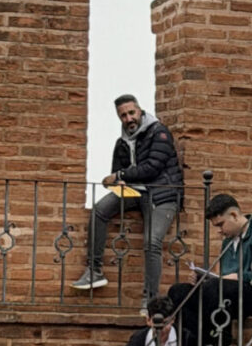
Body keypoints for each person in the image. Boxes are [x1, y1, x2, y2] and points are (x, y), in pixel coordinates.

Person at [72, 94, 183, 306]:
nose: (128, 118)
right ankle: (94, 271)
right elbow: (117, 171)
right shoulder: (122, 142)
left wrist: (121, 176)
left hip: (161, 194)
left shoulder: (159, 132)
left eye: (132, 113)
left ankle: (149, 299)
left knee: (152, 241)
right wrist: (118, 182)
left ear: (140, 111)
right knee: (99, 210)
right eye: (123, 115)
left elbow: (153, 168)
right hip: (134, 192)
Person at [167, 193, 252, 346]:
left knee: (216, 288)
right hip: (233, 294)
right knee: (179, 292)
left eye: (221, 224)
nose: (219, 231)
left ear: (234, 215)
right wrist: (203, 279)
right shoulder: (228, 243)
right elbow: (224, 279)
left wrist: (237, 277)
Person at [119, 295, 200, 346]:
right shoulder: (138, 341)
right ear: (148, 320)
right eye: (156, 322)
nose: (161, 328)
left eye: (165, 323)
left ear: (173, 319)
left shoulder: (185, 337)